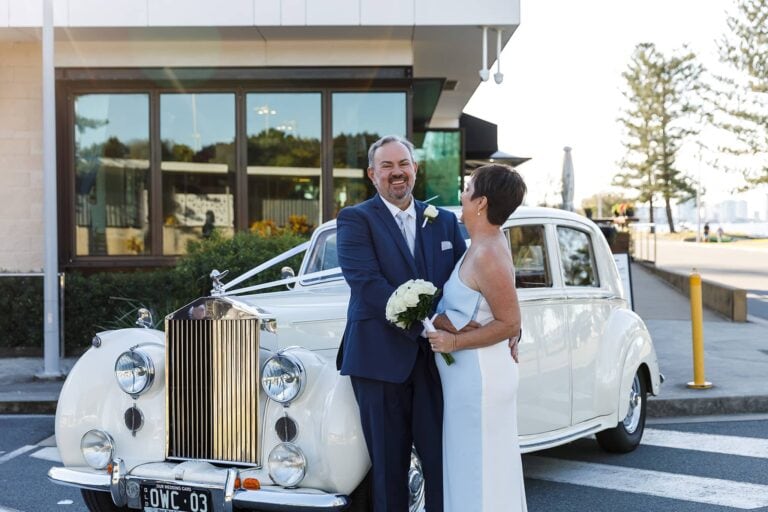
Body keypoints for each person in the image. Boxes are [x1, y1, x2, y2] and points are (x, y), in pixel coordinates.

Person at [336, 135, 467, 512]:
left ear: (415, 168)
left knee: (443, 463)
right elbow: (366, 283)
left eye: (403, 164)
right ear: (372, 175)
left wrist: (493, 323)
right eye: (387, 166)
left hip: (435, 364)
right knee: (388, 471)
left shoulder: (442, 221)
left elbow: (463, 281)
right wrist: (426, 323)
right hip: (378, 362)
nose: (397, 173)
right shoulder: (355, 219)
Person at [427, 164, 528, 511]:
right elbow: (491, 308)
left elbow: (510, 322)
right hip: (468, 380)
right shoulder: (483, 244)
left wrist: (454, 343)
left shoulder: (487, 253)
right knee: (472, 467)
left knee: (479, 469)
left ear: (482, 202)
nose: (463, 195)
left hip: (480, 380)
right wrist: (443, 319)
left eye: (468, 189)